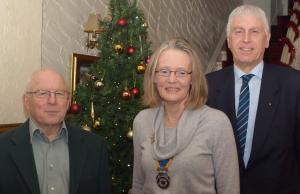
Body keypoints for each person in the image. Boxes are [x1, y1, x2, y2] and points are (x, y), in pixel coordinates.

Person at [206, 4, 300, 194]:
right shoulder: (206, 87)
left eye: (254, 31)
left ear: (267, 40)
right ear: (229, 40)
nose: (246, 39)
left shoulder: (294, 85)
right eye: (238, 31)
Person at [132, 38, 239, 194]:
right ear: (154, 77)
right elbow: (138, 185)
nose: (172, 79)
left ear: (192, 79)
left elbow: (229, 190)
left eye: (181, 72)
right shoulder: (142, 121)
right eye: (164, 71)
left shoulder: (216, 123)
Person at [0, 68, 111, 194]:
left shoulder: (95, 146)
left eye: (59, 93)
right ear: (26, 102)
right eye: (42, 93)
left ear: (68, 101)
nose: (52, 101)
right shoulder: (2, 147)